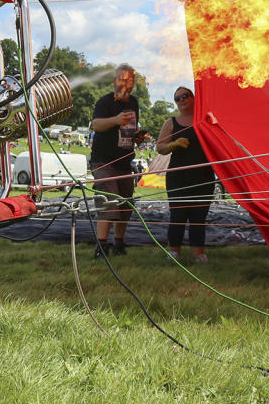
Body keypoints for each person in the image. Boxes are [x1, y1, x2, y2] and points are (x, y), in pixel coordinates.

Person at [89, 63, 147, 257]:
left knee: (126, 204)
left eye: (129, 80)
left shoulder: (134, 102)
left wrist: (137, 137)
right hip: (104, 161)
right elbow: (96, 125)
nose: (126, 83)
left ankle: (119, 244)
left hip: (124, 162)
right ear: (114, 81)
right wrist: (115, 120)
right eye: (122, 79)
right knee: (109, 201)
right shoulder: (105, 102)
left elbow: (129, 130)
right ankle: (101, 247)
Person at [156, 86, 215, 262]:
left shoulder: (205, 119)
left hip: (203, 175)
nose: (181, 100)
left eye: (184, 96)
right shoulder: (171, 122)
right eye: (177, 99)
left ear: (194, 98)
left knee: (199, 216)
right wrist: (173, 145)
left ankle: (198, 253)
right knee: (178, 215)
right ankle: (174, 251)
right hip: (178, 177)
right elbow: (160, 147)